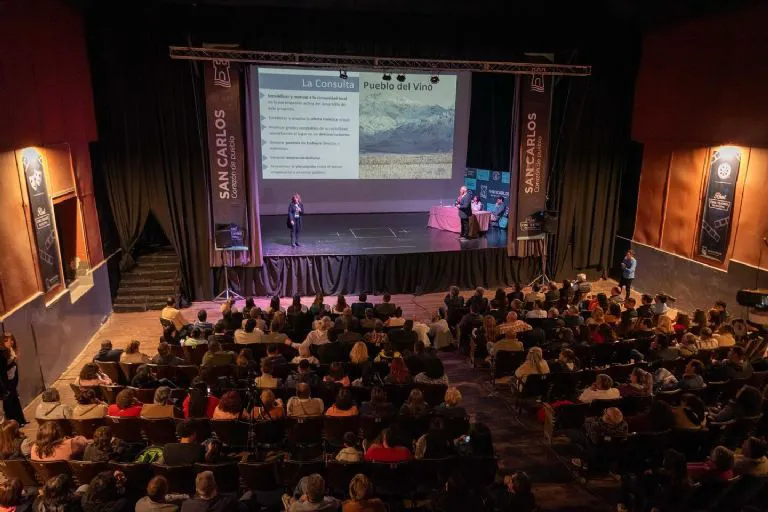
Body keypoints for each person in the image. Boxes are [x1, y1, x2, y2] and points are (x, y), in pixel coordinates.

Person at [0, 334, 24, 425]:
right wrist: (12, 362)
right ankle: (13, 424)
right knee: (8, 404)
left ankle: (20, 420)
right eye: (10, 340)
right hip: (6, 382)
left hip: (12, 380)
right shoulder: (2, 353)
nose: (12, 342)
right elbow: (3, 369)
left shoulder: (11, 350)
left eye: (13, 340)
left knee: (15, 400)